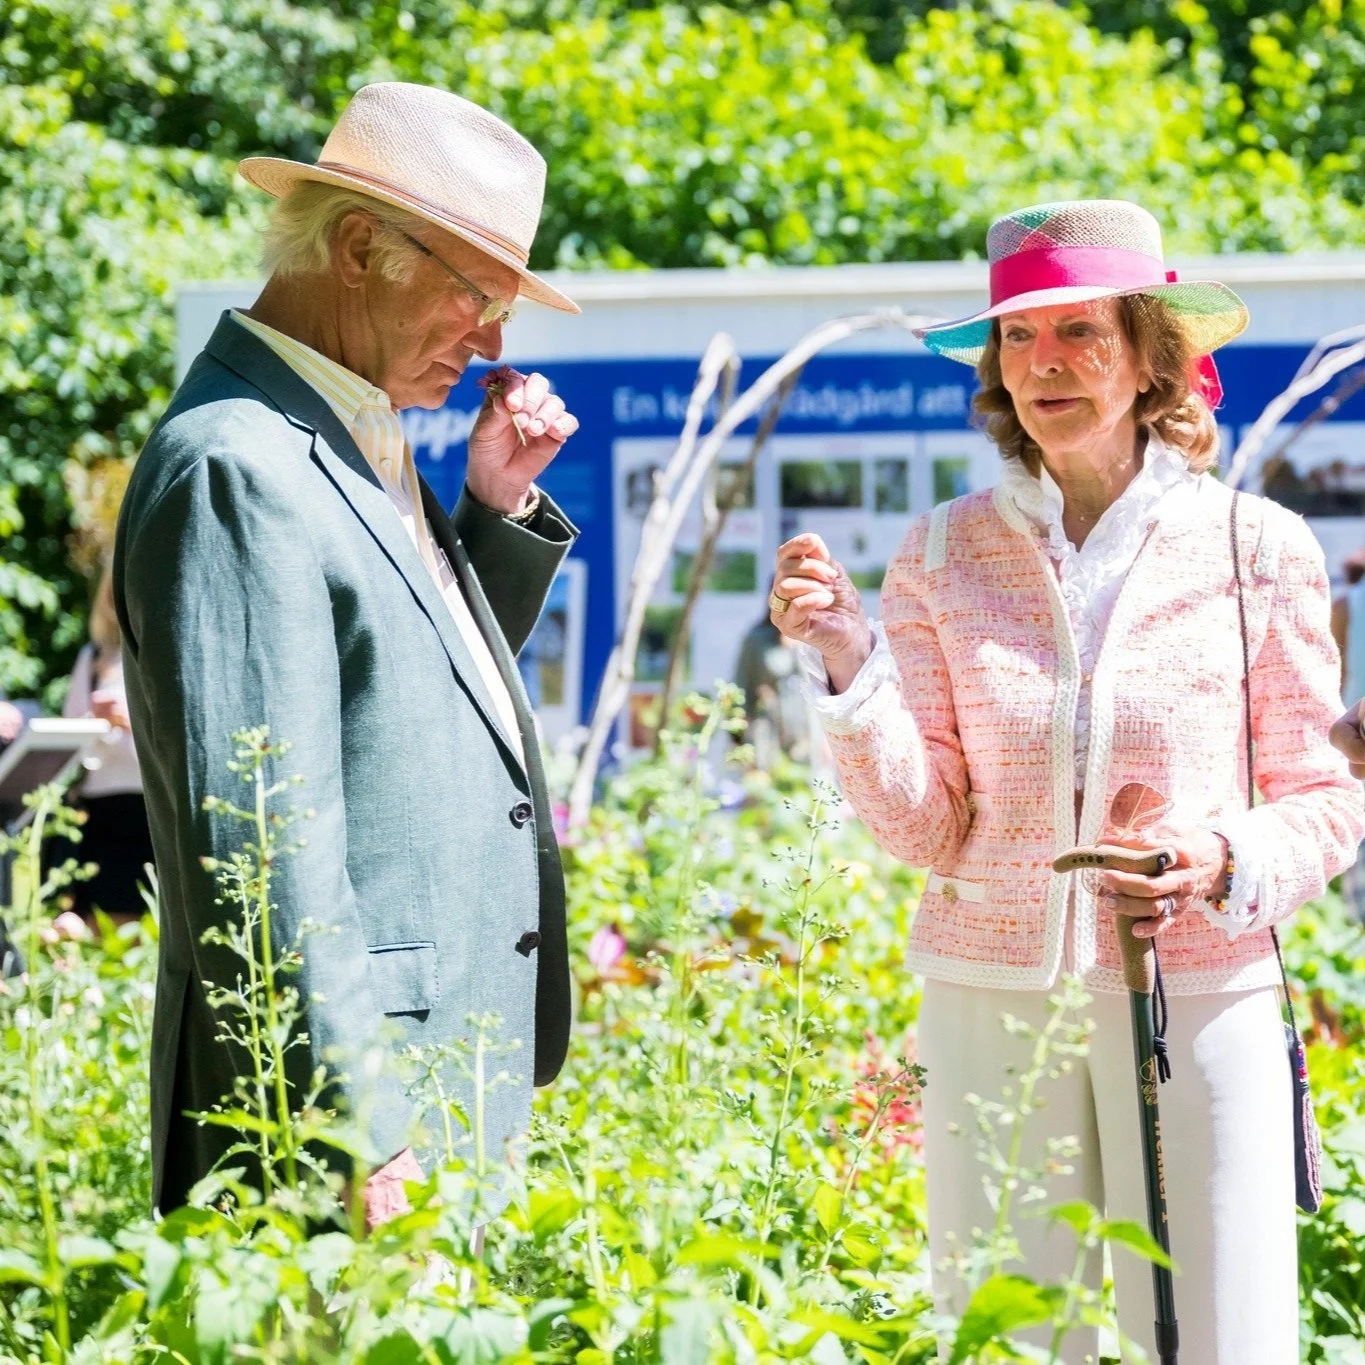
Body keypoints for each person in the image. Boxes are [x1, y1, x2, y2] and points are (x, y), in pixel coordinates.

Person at [769, 199, 1364, 1363]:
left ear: (1151, 358)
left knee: (1218, 1334)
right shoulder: (940, 551)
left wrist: (1227, 859)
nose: (1044, 362)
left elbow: (1329, 794)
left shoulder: (1260, 550)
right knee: (1014, 1340)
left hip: (1197, 993)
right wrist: (848, 663)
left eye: (1081, 333)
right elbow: (928, 826)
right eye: (1019, 336)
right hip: (992, 999)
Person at [113, 82, 582, 1227]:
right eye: (478, 298)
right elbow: (262, 845)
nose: (494, 346)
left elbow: (401, 702)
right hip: (347, 1145)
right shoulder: (238, 464)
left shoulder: (332, 421)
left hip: (432, 1100)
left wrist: (488, 513)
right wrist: (357, 1134)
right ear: (364, 247)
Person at [43, 566, 152, 920]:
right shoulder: (92, 658)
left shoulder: (158, 655)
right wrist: (98, 722)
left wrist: (134, 721)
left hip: (149, 804)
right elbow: (70, 739)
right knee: (97, 915)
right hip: (101, 807)